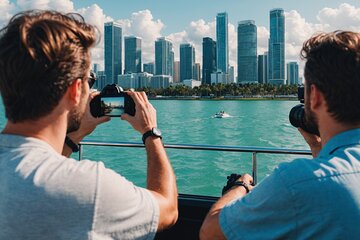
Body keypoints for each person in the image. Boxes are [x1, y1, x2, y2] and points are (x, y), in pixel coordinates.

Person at [0, 10, 177, 239]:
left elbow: (31, 168)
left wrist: (76, 135)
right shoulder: (88, 188)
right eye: (89, 80)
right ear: (75, 90)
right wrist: (151, 132)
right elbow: (167, 210)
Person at [200, 31, 360, 239]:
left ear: (315, 97)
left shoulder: (298, 181)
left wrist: (240, 186)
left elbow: (210, 232)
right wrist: (318, 151)